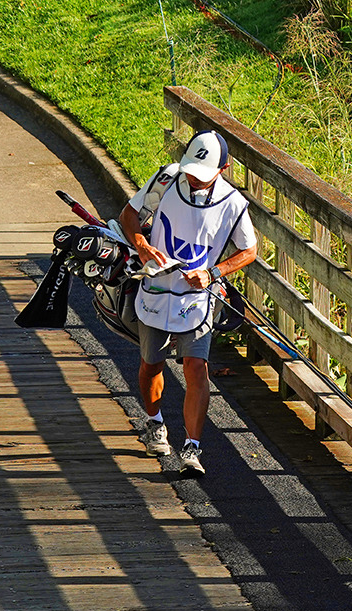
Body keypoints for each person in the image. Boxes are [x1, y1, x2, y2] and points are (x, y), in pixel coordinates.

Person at [118, 130, 258, 476]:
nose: (194, 179)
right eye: (191, 171)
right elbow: (129, 215)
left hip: (198, 298)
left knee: (197, 367)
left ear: (222, 169)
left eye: (202, 175)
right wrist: (141, 245)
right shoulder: (167, 178)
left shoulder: (234, 205)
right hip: (155, 287)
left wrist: (213, 273)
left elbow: (249, 250)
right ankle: (154, 423)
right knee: (152, 363)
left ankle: (192, 448)